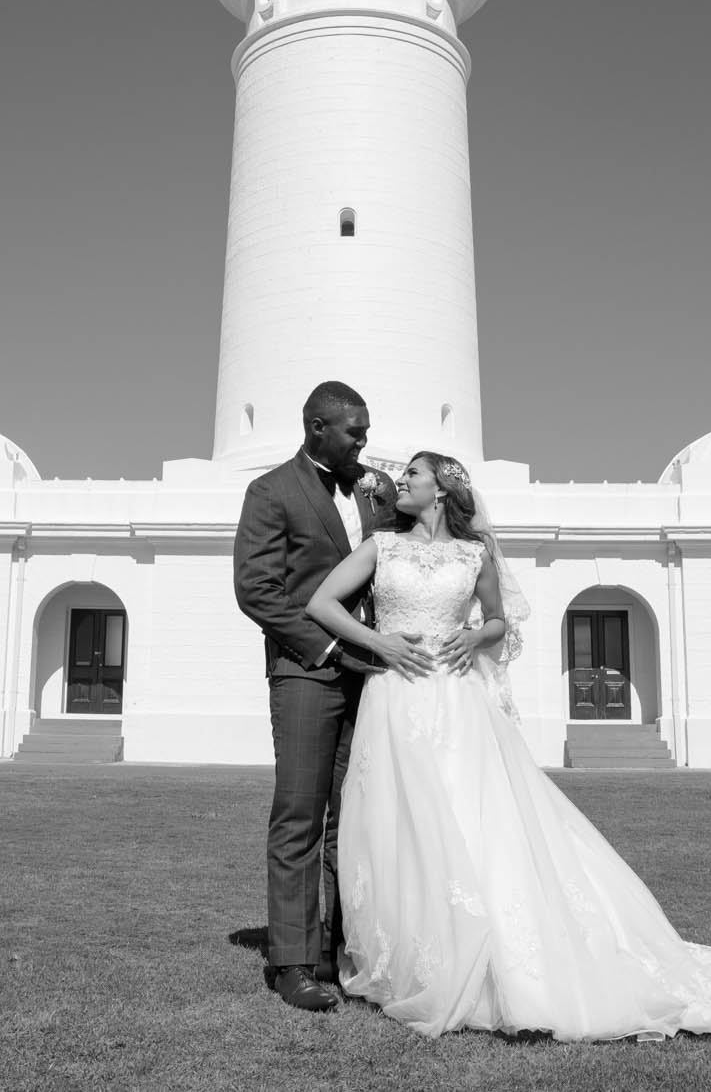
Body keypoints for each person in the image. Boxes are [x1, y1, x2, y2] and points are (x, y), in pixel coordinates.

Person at [304, 450, 711, 1040]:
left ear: (443, 490)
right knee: (400, 822)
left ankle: (489, 955)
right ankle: (413, 957)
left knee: (471, 819)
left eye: (413, 474)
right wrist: (379, 644)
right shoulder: (381, 546)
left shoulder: (474, 554)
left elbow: (500, 621)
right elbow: (321, 603)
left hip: (457, 702)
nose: (399, 481)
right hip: (395, 697)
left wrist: (475, 636)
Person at [232, 381, 431, 1012]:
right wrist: (328, 648)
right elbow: (257, 591)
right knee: (300, 815)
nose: (364, 442)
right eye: (354, 432)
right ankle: (292, 963)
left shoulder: (375, 490)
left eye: (366, 431)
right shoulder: (270, 492)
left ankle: (343, 949)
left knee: (358, 817)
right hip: (306, 673)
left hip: (373, 677)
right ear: (318, 427)